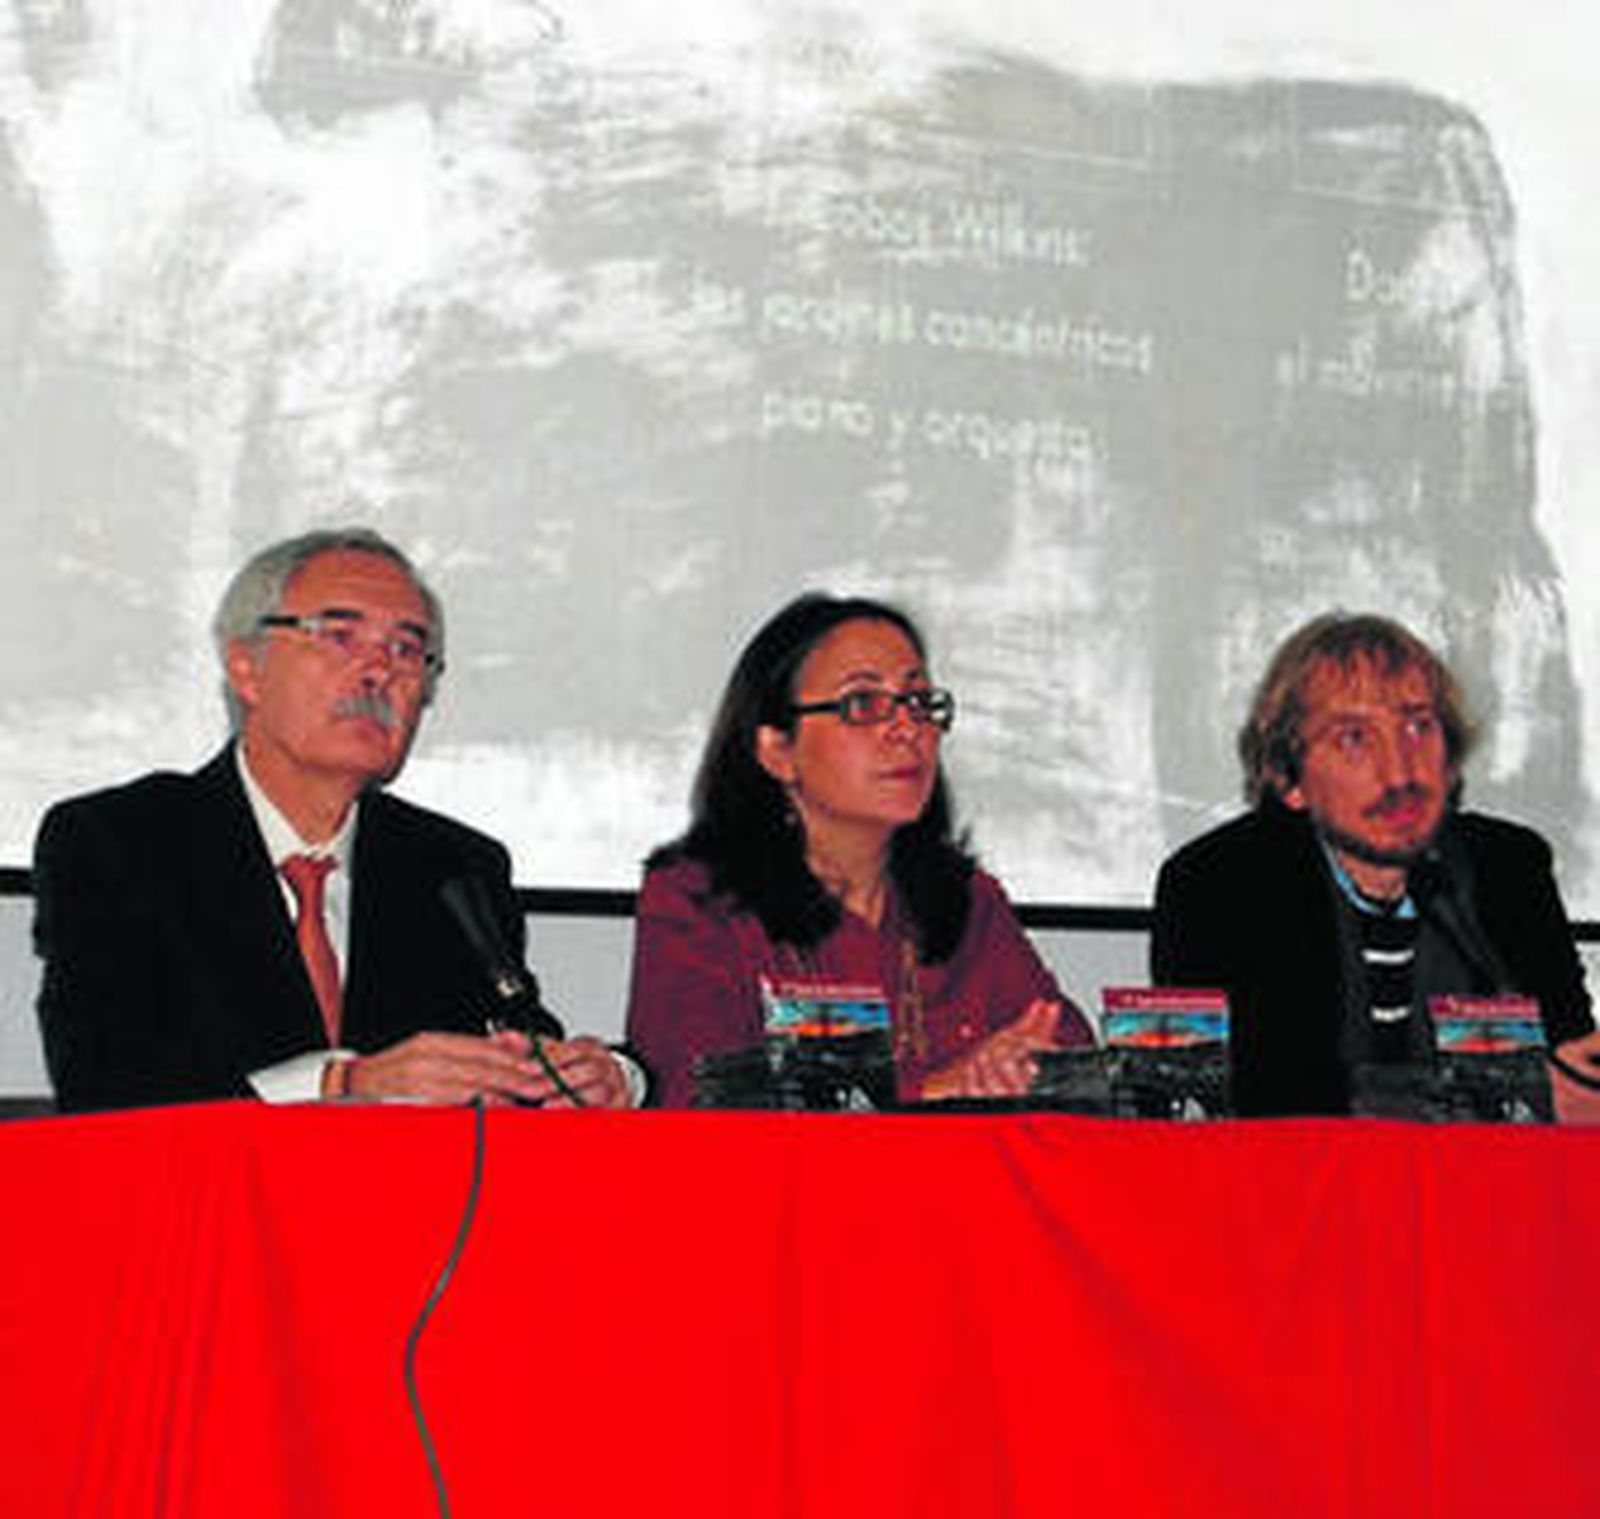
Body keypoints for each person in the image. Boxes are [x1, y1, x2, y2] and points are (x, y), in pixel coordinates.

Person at [34, 527, 636, 1112]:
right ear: (246, 667)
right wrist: (342, 1083)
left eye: (406, 649)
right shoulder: (118, 843)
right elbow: (107, 1083)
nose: (380, 671)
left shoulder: (453, 866)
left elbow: (522, 1038)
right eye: (341, 637)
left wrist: (607, 1078)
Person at [625, 592, 1093, 1106]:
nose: (907, 728)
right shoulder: (697, 900)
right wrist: (935, 1091)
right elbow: (696, 1091)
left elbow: (1066, 1051)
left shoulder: (968, 900)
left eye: (919, 702)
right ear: (778, 750)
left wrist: (1032, 1068)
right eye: (863, 704)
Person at [1150, 612, 1599, 1116]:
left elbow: (1571, 1059)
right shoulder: (1219, 886)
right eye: (1354, 738)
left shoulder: (1508, 868)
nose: (1400, 771)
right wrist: (1508, 1093)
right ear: (1290, 779)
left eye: (1419, 727)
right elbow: (1250, 1093)